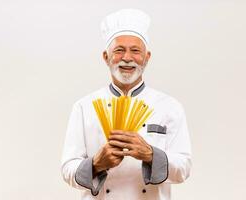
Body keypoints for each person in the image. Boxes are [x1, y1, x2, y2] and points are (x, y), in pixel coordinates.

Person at [61, 8, 192, 200]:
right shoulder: (84, 106)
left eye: (136, 51)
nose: (127, 58)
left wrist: (150, 154)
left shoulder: (170, 106)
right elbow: (67, 169)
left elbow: (184, 168)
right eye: (119, 50)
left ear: (147, 57)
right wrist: (97, 163)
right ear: (106, 57)